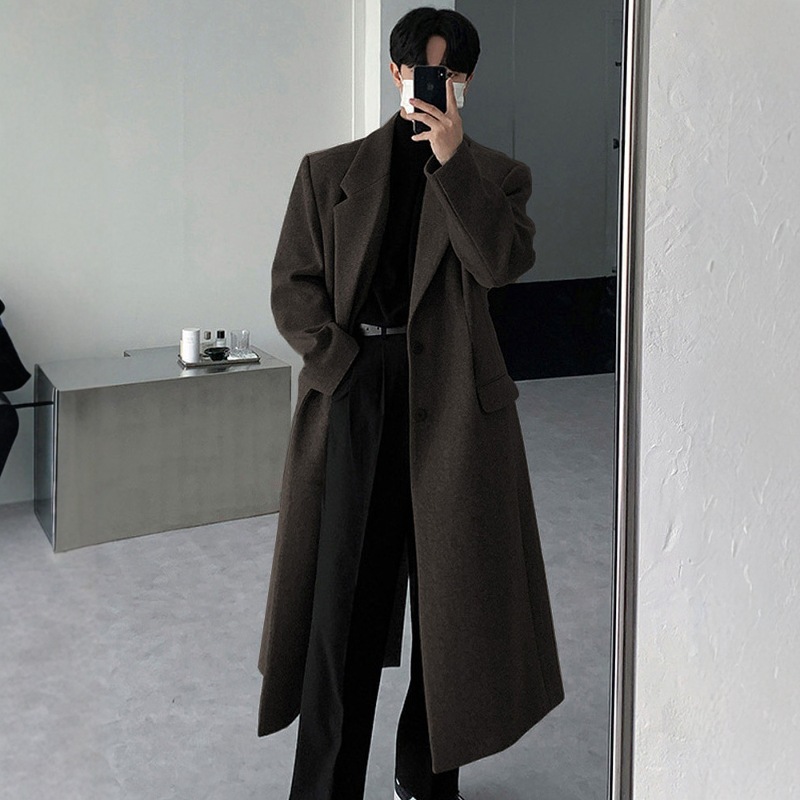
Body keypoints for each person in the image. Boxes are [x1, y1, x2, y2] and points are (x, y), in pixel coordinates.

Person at [256, 8, 565, 799]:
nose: (439, 83)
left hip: (457, 407)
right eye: (426, 69)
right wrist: (342, 364)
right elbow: (293, 288)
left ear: (467, 81)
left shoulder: (497, 175)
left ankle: (427, 775)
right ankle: (325, 786)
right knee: (343, 607)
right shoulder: (329, 173)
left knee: (451, 608)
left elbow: (498, 266)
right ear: (397, 74)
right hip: (356, 392)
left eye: (452, 72)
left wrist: (453, 165)